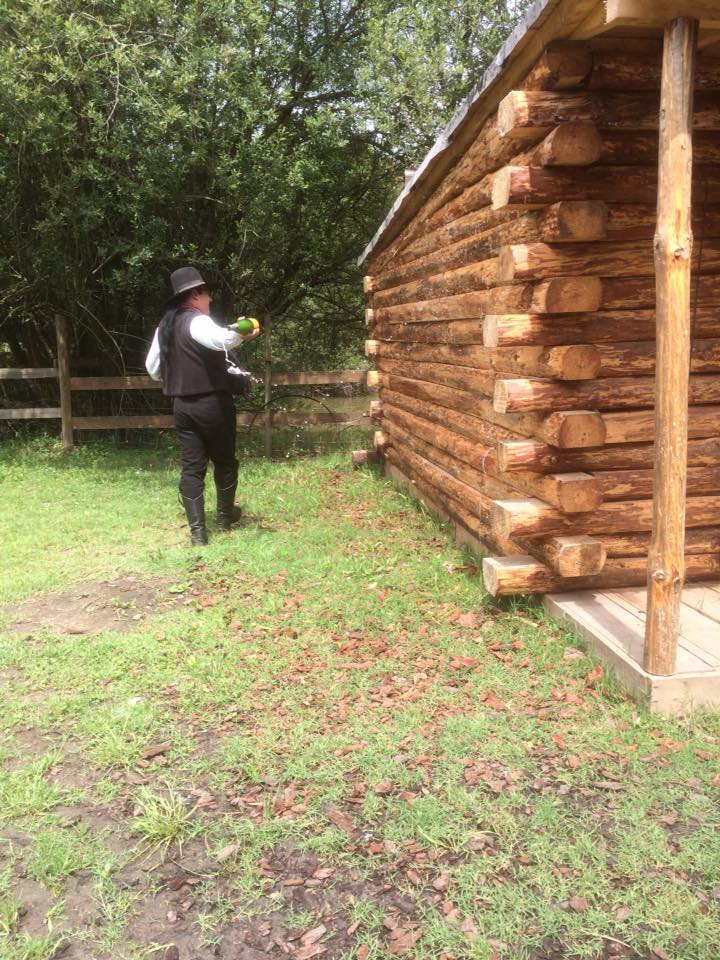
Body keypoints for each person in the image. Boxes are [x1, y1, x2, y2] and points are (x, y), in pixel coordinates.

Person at [145, 265, 259, 545]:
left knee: (192, 467)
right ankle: (223, 519)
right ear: (195, 295)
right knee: (224, 460)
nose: (210, 300)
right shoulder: (197, 321)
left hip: (182, 407)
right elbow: (222, 340)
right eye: (207, 294)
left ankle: (198, 534)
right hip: (213, 404)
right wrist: (244, 333)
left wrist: (175, 376)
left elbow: (152, 368)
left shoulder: (166, 325)